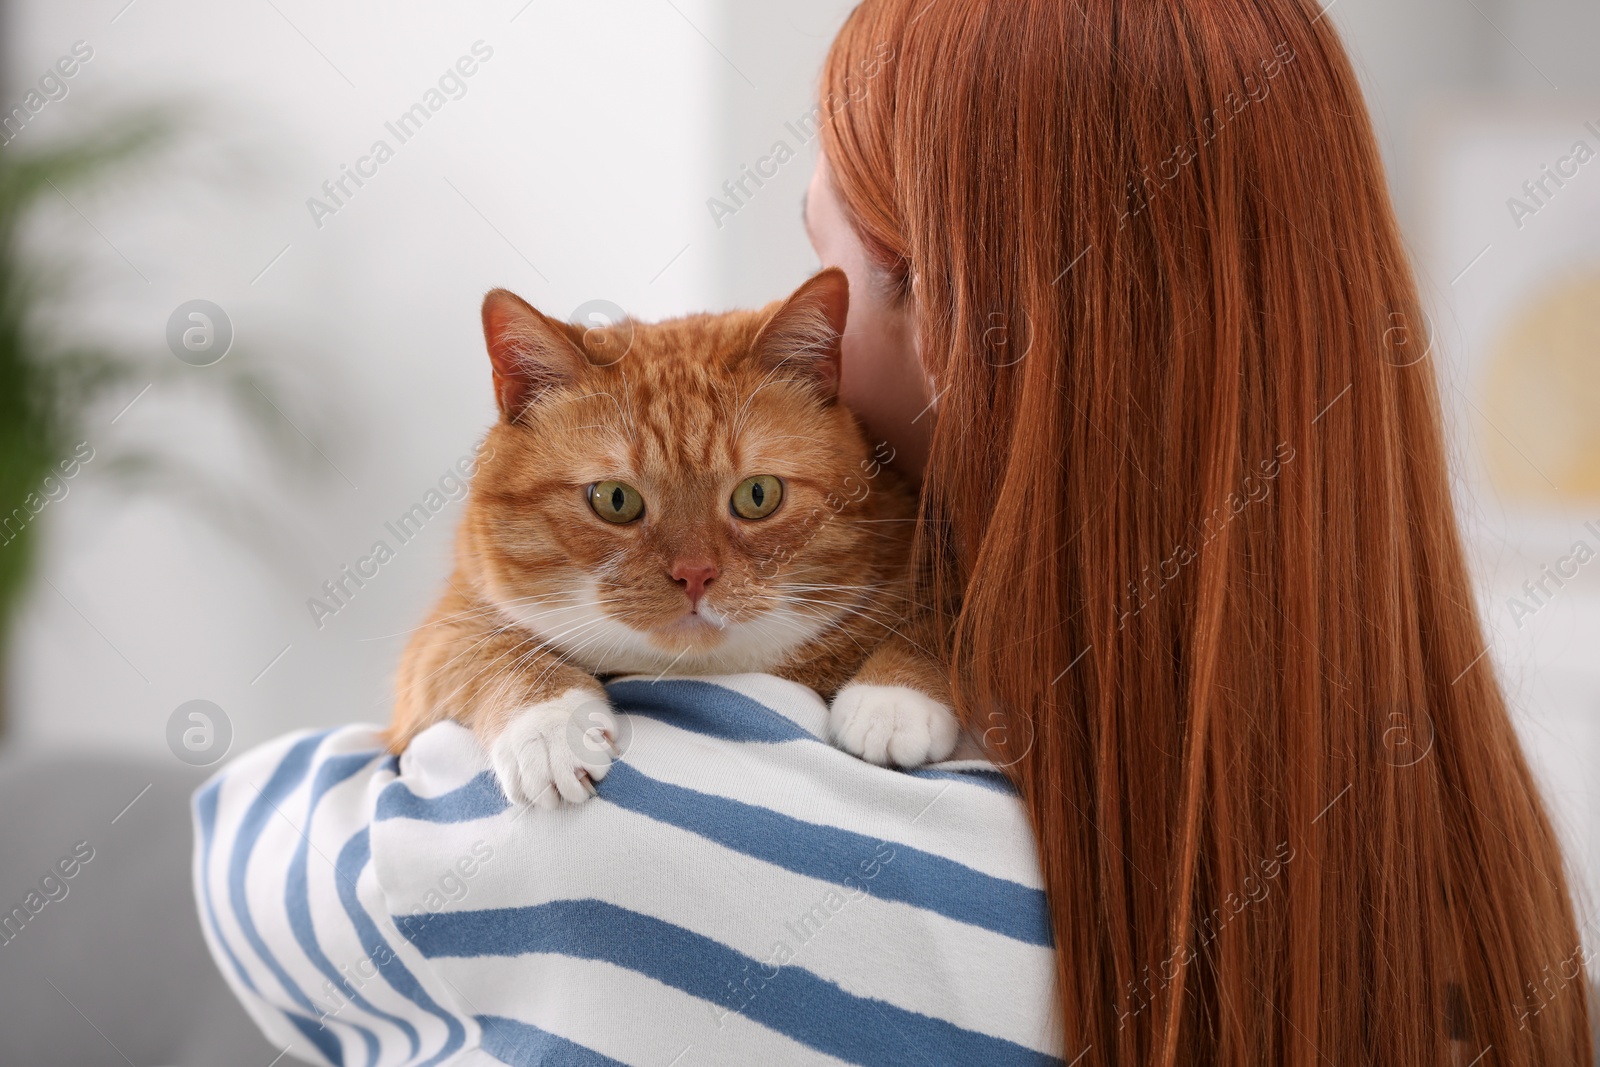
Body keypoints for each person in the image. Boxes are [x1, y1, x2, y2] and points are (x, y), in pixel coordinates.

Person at [196, 1, 1593, 1064]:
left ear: (948, 323)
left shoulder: (654, 839)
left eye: (833, 265)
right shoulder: (1487, 889)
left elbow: (261, 844)